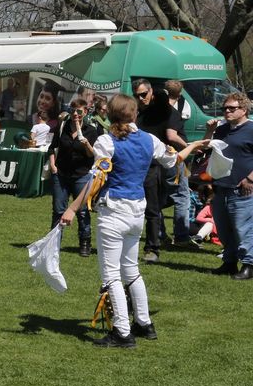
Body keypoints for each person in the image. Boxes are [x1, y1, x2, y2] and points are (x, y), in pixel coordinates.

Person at [60, 94, 202, 347]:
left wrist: (72, 208)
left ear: (109, 115)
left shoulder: (106, 141)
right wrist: (194, 145)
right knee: (131, 270)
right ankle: (144, 323)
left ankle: (122, 332)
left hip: (114, 211)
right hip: (137, 211)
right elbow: (174, 159)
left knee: (111, 275)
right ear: (134, 114)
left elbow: (95, 180)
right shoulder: (149, 139)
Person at [134, 79, 185, 262]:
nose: (140, 98)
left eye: (143, 94)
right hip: (136, 165)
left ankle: (152, 248)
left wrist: (157, 90)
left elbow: (164, 97)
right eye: (136, 95)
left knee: (153, 209)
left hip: (156, 166)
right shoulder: (139, 113)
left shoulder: (163, 111)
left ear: (152, 93)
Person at [205, 92, 253, 279]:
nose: (227, 111)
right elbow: (206, 147)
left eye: (232, 108)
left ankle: (249, 265)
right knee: (224, 228)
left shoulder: (251, 129)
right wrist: (210, 130)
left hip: (243, 188)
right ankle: (230, 262)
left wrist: (250, 179)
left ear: (244, 110)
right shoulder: (222, 128)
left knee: (244, 229)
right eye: (225, 108)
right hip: (220, 186)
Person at [48, 99, 102, 256]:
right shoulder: (63, 127)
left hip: (82, 175)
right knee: (58, 210)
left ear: (85, 112)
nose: (75, 114)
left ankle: (85, 242)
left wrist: (85, 143)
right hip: (62, 174)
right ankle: (54, 242)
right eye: (73, 111)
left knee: (82, 211)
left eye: (79, 111)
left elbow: (93, 155)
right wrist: (53, 166)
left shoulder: (91, 131)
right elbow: (52, 148)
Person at [165, 79, 194, 245]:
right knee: (183, 195)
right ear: (180, 94)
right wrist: (189, 146)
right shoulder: (172, 112)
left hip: (161, 157)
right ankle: (182, 236)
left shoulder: (156, 111)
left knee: (159, 195)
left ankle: (159, 233)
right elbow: (171, 135)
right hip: (174, 157)